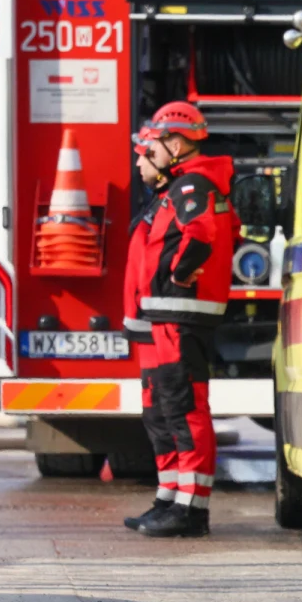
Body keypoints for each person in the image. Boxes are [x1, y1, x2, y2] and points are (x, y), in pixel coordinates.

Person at [133, 101, 238, 538]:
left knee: (185, 409)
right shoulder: (182, 186)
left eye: (149, 150)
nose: (143, 159)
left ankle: (190, 510)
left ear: (174, 144)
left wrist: (178, 275)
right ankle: (171, 500)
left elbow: (202, 236)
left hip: (181, 314)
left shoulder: (192, 187)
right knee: (165, 410)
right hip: (169, 314)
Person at [122, 129, 178, 530]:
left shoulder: (175, 200)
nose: (138, 164)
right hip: (146, 327)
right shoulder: (156, 202)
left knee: (167, 414)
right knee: (154, 415)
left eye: (143, 156)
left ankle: (176, 502)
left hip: (161, 326)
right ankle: (166, 495)